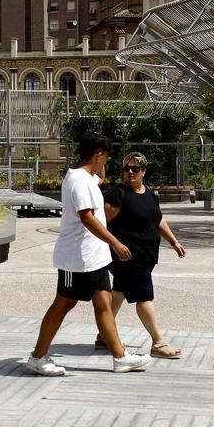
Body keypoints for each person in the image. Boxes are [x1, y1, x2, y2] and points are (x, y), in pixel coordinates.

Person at [25, 133, 152, 376]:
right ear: (98, 155)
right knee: (63, 304)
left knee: (103, 303)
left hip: (94, 258)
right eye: (106, 157)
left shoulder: (87, 178)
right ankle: (38, 357)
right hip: (77, 258)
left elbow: (99, 178)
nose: (107, 163)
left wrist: (98, 164)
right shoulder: (79, 181)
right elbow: (87, 217)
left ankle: (120, 357)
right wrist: (116, 242)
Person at [99, 152, 187, 359]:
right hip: (127, 258)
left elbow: (157, 220)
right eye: (126, 168)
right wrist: (115, 245)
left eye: (135, 169)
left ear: (143, 171)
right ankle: (159, 343)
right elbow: (101, 223)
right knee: (144, 297)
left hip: (146, 257)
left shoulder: (150, 194)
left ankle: (104, 335)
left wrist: (173, 241)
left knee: (118, 294)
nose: (130, 172)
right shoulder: (117, 194)